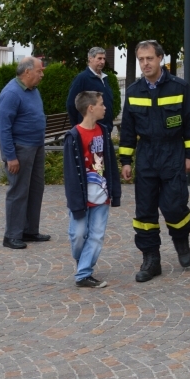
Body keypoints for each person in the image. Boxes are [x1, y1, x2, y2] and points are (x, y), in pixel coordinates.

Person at [119, 40, 190, 282]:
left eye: (149, 59)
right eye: (141, 59)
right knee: (144, 211)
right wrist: (126, 160)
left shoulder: (179, 87)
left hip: (172, 153)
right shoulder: (133, 91)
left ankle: (181, 241)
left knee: (175, 206)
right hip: (146, 156)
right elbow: (127, 129)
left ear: (160, 59)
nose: (145, 64)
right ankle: (151, 259)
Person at [63, 92, 121, 288]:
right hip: (81, 197)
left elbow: (110, 162)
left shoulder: (103, 131)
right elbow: (70, 172)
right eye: (101, 104)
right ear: (91, 108)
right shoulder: (73, 136)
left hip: (102, 194)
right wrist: (74, 200)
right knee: (78, 234)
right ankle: (83, 263)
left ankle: (84, 273)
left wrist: (115, 192)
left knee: (96, 235)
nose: (105, 108)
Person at [0, 57, 49, 250]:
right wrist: (10, 156)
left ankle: (29, 230)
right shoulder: (11, 93)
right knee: (18, 191)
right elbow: (4, 128)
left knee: (36, 189)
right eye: (39, 71)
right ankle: (11, 235)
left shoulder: (33, 90)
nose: (42, 74)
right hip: (20, 149)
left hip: (36, 146)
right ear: (27, 72)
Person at [66, 47, 115, 131]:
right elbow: (71, 104)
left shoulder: (104, 78)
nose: (102, 61)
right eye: (99, 58)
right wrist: (77, 127)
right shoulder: (82, 78)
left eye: (104, 58)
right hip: (89, 130)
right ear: (90, 59)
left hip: (105, 128)